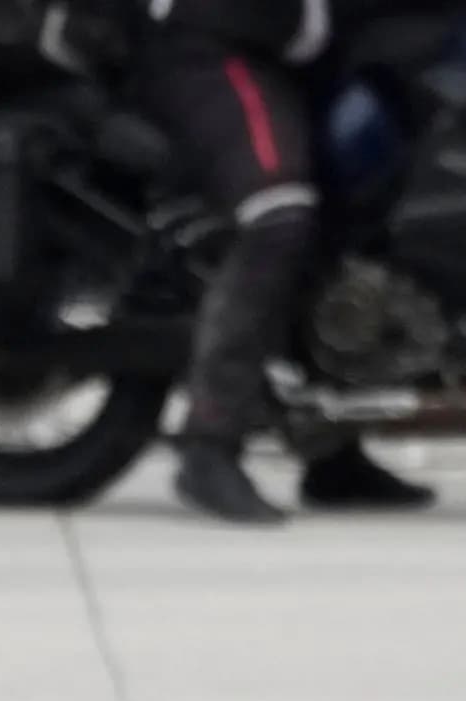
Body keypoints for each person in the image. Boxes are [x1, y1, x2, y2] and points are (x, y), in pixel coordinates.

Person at [133, 1, 435, 525]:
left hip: (298, 53)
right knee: (280, 215)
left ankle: (329, 449)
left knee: (359, 213)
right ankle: (209, 443)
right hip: (213, 44)